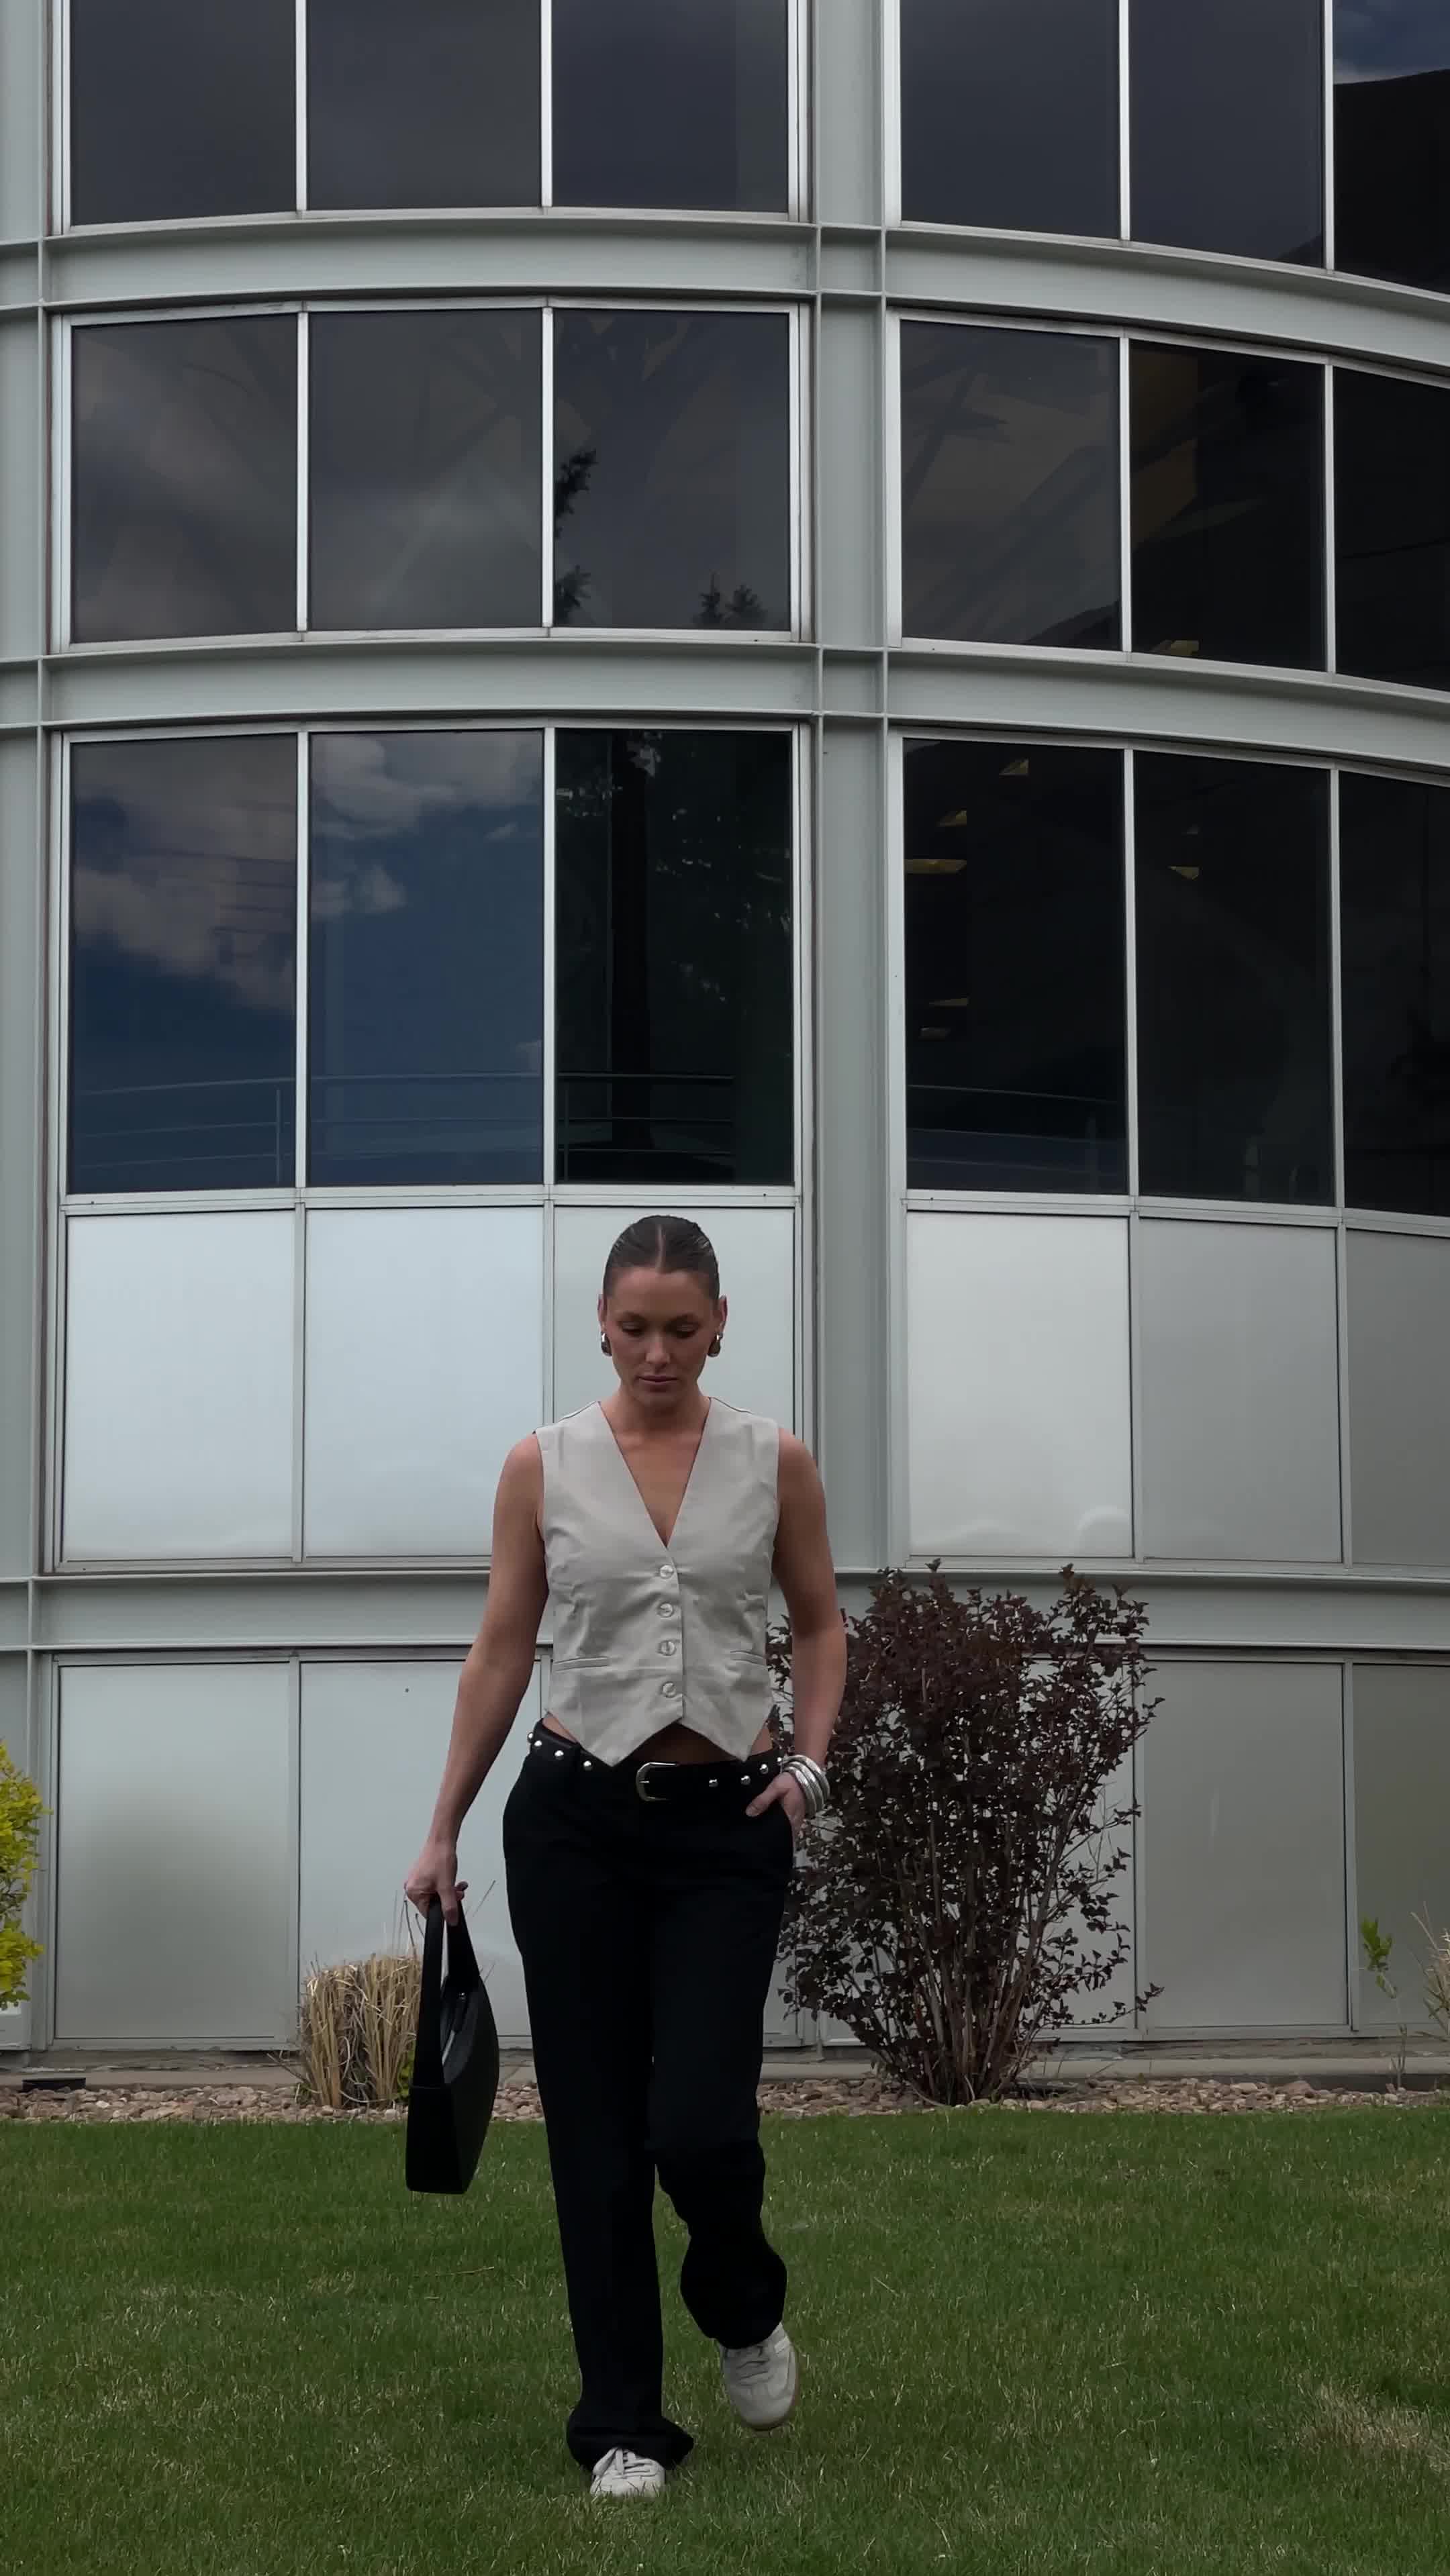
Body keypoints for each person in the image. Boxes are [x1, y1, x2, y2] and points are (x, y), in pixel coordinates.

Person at [404, 1211, 847, 2501]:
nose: (659, 1352)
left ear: (720, 1327)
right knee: (593, 2131)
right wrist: (443, 1822)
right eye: (637, 1327)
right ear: (601, 1324)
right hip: (573, 1821)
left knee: (700, 2121)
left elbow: (821, 1625)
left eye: (683, 1328)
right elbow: (502, 1647)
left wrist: (810, 1764)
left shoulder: (776, 1460)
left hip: (727, 1828)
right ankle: (621, 2426)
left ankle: (743, 2302)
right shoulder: (541, 1465)